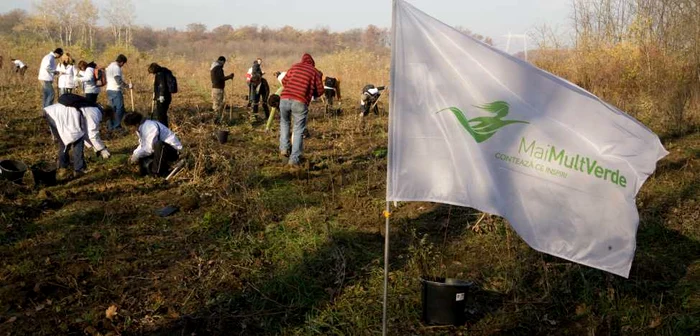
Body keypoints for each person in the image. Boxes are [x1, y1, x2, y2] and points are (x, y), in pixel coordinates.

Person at [43, 94, 113, 179]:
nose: (104, 122)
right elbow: (92, 134)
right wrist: (102, 149)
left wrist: (95, 147)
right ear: (106, 114)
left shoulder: (92, 108)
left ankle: (63, 168)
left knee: (66, 142)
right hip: (60, 116)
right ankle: (78, 169)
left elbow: (86, 133)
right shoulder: (95, 113)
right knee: (77, 141)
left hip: (53, 113)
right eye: (107, 119)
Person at [279, 53, 324, 166]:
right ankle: (294, 160)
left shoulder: (294, 66)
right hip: (300, 101)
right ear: (312, 63)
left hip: (284, 99)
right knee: (298, 129)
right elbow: (320, 91)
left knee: (284, 124)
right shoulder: (314, 72)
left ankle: (284, 150)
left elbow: (284, 81)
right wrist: (312, 91)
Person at [123, 112, 183, 177]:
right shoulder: (140, 129)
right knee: (141, 154)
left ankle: (157, 173)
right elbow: (143, 144)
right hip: (161, 152)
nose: (130, 130)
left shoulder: (149, 127)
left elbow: (149, 148)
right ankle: (144, 173)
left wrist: (137, 155)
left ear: (136, 124)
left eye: (130, 127)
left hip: (173, 151)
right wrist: (134, 154)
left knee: (158, 145)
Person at [106, 54, 132, 131]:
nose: (122, 65)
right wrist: (127, 86)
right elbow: (118, 80)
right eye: (123, 64)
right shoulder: (116, 68)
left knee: (111, 109)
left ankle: (110, 126)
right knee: (120, 109)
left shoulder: (110, 66)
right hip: (116, 90)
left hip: (109, 90)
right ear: (122, 62)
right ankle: (116, 126)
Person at [148, 63, 174, 127]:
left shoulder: (160, 74)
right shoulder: (165, 71)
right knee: (163, 114)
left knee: (161, 115)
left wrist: (161, 95)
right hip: (168, 97)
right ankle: (165, 128)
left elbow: (162, 86)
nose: (153, 74)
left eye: (152, 72)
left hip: (162, 98)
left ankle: (163, 129)